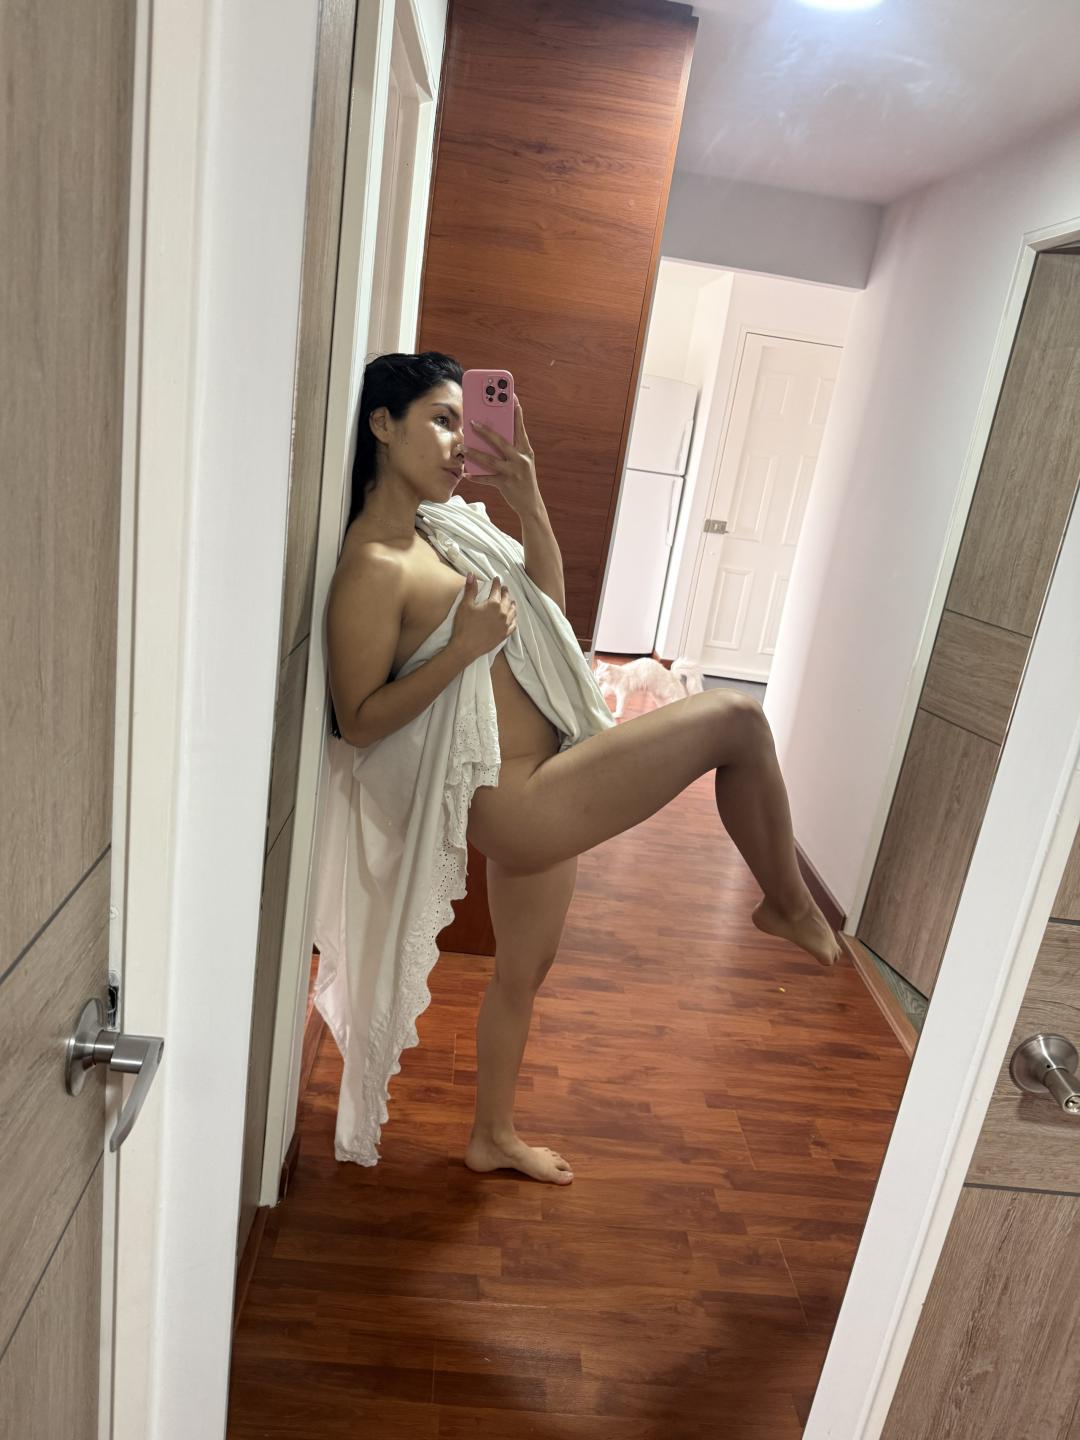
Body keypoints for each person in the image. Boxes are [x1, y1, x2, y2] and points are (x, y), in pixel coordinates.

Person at [316, 350, 840, 1187]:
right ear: (382, 425)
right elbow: (356, 720)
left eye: (463, 422)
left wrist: (527, 500)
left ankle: (492, 1137)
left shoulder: (444, 529)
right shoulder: (375, 565)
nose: (459, 442)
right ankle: (788, 904)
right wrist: (460, 650)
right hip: (518, 800)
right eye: (441, 421)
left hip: (551, 765)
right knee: (738, 720)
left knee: (524, 974)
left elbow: (549, 614)